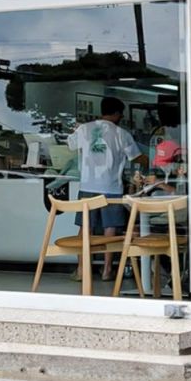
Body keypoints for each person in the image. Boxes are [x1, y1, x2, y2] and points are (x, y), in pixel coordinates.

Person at [67, 96, 148, 281]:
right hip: (112, 187)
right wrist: (153, 159)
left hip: (87, 185)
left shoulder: (84, 129)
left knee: (85, 227)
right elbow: (136, 157)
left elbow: (70, 145)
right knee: (110, 228)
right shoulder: (121, 133)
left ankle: (81, 270)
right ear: (118, 113)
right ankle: (107, 270)